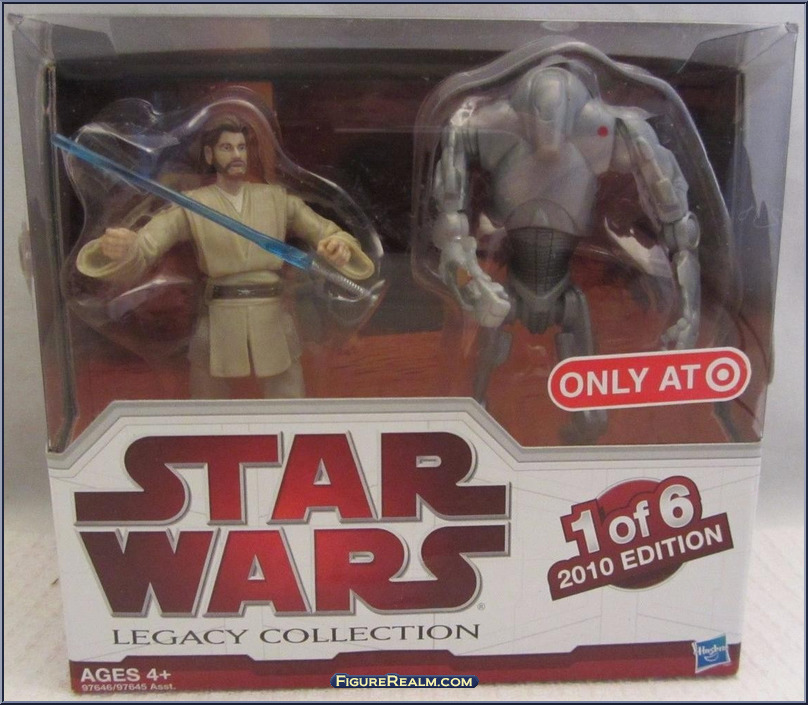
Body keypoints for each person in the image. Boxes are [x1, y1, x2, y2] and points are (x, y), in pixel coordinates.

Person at [428, 60, 701, 441]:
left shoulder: (607, 128)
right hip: (510, 284)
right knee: (484, 366)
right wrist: (468, 277)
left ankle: (582, 421)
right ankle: (476, 414)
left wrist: (689, 307)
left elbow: (676, 220)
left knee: (585, 390)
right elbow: (449, 224)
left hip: (557, 283)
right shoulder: (489, 126)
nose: (549, 140)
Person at [77, 114, 374, 398]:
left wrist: (338, 247)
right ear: (210, 154)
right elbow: (145, 246)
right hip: (219, 316)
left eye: (241, 147)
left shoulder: (277, 199)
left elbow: (325, 232)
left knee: (287, 389)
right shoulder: (193, 204)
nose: (237, 155)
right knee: (207, 393)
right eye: (227, 147)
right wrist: (122, 248)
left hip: (271, 314)